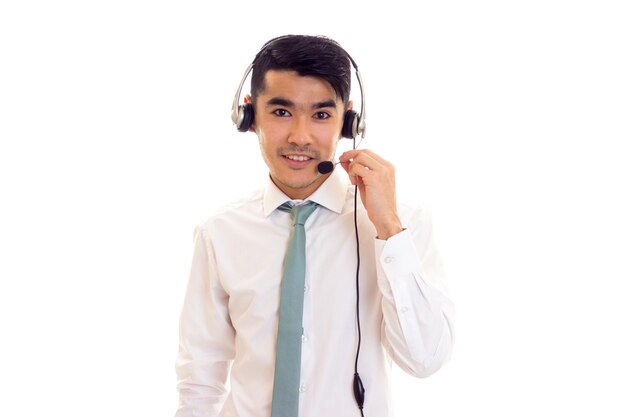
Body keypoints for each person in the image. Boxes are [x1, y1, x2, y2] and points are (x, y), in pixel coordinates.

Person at [175, 34, 455, 417]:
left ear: (349, 122)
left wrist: (388, 227)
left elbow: (425, 360)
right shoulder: (219, 232)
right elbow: (199, 381)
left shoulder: (399, 226)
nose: (300, 137)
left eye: (321, 115)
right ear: (250, 115)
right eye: (281, 112)